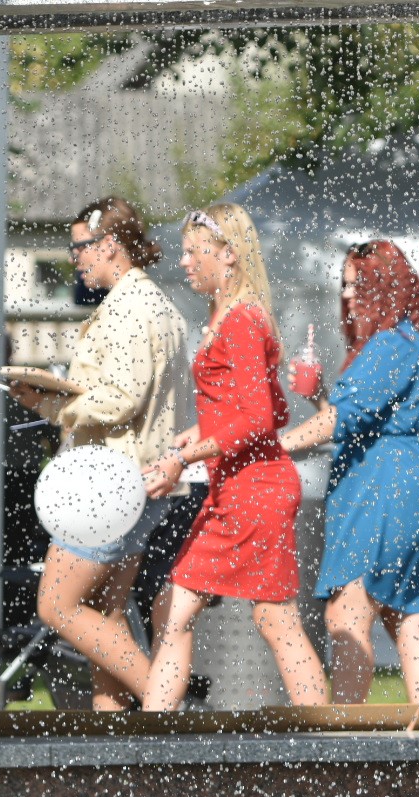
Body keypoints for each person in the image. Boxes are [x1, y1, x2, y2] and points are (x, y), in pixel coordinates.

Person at [141, 203, 329, 710]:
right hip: (238, 489)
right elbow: (245, 411)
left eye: (193, 252)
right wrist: (185, 443)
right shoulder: (226, 316)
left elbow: (259, 419)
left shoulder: (242, 319)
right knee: (178, 610)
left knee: (272, 618)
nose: (184, 262)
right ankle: (152, 737)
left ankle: (329, 737)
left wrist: (186, 459)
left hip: (257, 490)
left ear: (227, 254)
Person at [8, 198, 190, 711]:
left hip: (109, 484)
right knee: (105, 613)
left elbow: (121, 398)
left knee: (58, 606)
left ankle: (164, 707)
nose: (75, 258)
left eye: (80, 247)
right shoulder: (157, 304)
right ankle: (113, 737)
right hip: (137, 480)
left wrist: (57, 401)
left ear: (110, 244)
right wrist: (47, 402)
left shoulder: (130, 309)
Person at [279, 241, 419, 705]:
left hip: (382, 485)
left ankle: (344, 736)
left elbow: (341, 420)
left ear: (386, 289)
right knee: (408, 619)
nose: (348, 296)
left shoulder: (388, 344)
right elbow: (356, 418)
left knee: (347, 616)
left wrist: (275, 447)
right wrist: (319, 395)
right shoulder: (409, 341)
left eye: (360, 286)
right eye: (346, 285)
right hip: (412, 481)